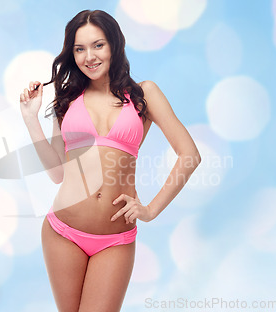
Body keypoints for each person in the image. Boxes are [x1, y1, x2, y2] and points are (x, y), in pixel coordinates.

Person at [19, 9, 201, 312]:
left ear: (115, 45)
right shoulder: (67, 100)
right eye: (79, 49)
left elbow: (190, 155)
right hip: (63, 232)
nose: (89, 56)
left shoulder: (144, 95)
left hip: (114, 239)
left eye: (97, 45)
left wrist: (151, 209)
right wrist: (30, 118)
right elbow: (56, 173)